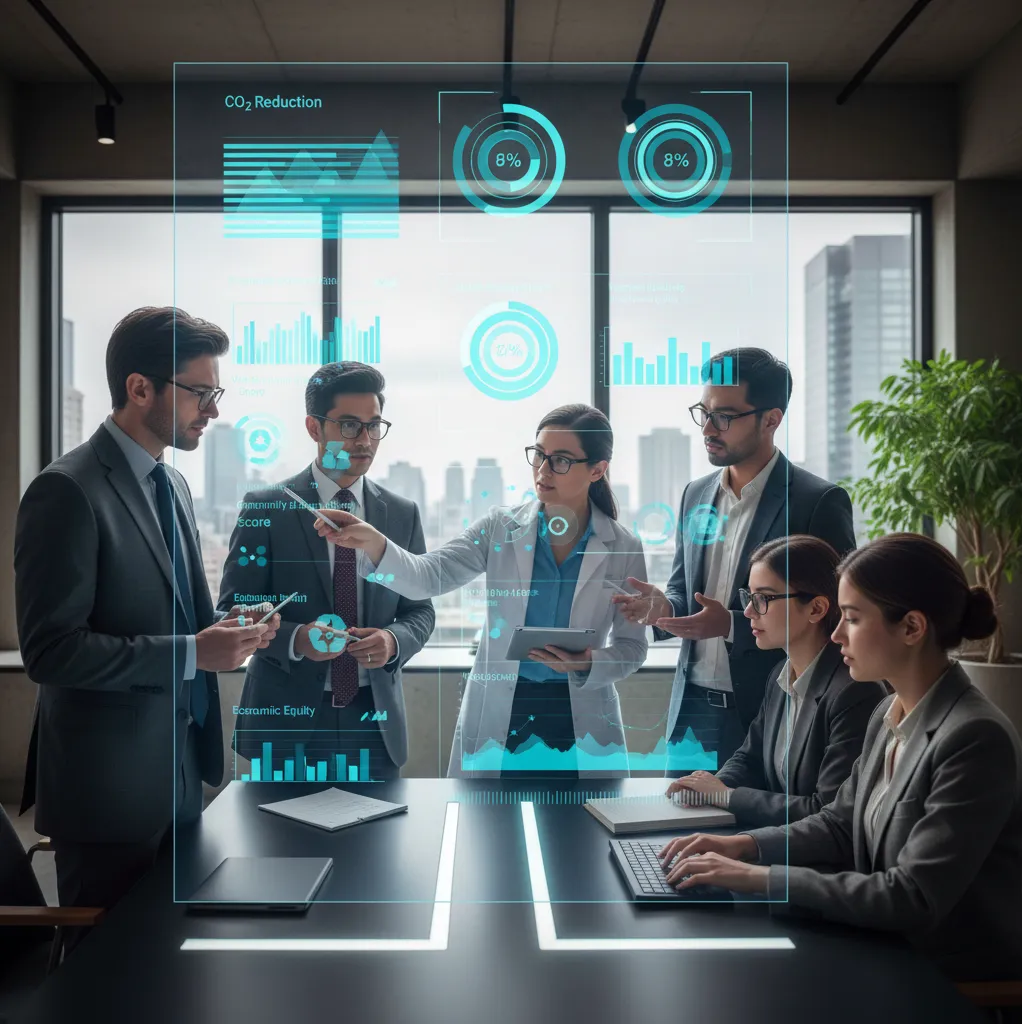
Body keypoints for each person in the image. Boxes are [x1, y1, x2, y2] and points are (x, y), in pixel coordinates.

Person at [658, 533, 1022, 983]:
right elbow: (838, 822)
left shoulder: (973, 737)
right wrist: (743, 847)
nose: (835, 634)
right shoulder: (886, 715)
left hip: (944, 975)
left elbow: (911, 896)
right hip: (881, 945)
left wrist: (757, 876)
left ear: (911, 628)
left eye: (851, 618)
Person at [15, 307, 273, 928]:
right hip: (106, 795)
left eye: (217, 393)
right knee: (103, 985)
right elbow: (50, 651)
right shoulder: (67, 490)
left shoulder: (174, 485)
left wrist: (232, 627)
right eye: (201, 392)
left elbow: (179, 611)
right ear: (140, 388)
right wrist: (191, 653)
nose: (213, 409)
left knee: (170, 974)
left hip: (180, 778)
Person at [313, 404, 647, 778]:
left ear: (597, 469)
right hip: (502, 715)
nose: (542, 470)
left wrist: (587, 662)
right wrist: (374, 543)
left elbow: (633, 647)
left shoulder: (623, 547)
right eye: (539, 455)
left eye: (562, 461)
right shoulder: (500, 528)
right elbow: (429, 575)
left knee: (584, 833)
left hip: (580, 720)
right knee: (491, 832)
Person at [614, 347, 856, 771]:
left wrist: (730, 624)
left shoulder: (817, 501)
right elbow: (684, 587)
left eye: (724, 416)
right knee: (680, 833)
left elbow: (831, 613)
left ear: (771, 419)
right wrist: (664, 605)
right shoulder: (695, 494)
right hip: (691, 711)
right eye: (703, 412)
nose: (708, 427)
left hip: (772, 708)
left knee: (755, 834)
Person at [218, 363, 435, 781]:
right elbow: (232, 610)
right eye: (350, 425)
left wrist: (392, 640)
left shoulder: (401, 514)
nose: (366, 440)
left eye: (374, 426)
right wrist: (298, 639)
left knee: (378, 846)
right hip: (285, 724)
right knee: (280, 847)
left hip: (375, 724)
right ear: (314, 428)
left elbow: (420, 610)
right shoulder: (266, 506)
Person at [666, 535, 886, 826]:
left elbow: (826, 811)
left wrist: (724, 796)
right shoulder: (780, 675)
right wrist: (705, 787)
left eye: (763, 599)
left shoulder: (854, 691)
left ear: (816, 609)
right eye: (749, 597)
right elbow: (750, 758)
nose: (747, 612)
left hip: (811, 859)